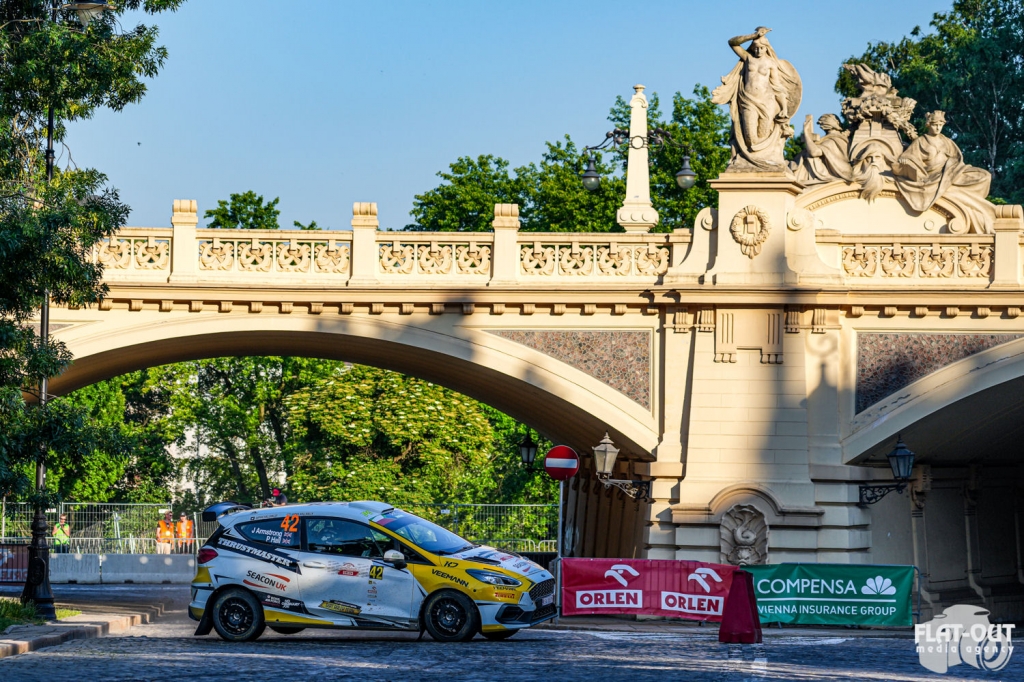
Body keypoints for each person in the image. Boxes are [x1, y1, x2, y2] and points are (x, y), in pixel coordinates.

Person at [712, 26, 802, 171]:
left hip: (767, 102)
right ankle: (750, 162)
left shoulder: (771, 63)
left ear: (767, 48)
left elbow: (777, 87)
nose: (758, 51)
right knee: (750, 139)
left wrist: (784, 108)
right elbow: (732, 43)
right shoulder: (748, 59)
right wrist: (753, 36)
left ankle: (765, 163)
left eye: (761, 48)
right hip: (748, 100)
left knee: (763, 135)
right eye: (756, 48)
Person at [891, 110, 994, 233]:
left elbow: (957, 159)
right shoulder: (921, 141)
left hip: (951, 172)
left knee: (984, 176)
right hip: (933, 176)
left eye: (940, 125)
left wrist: (952, 167)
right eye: (935, 124)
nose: (938, 128)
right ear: (928, 124)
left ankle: (970, 197)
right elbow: (908, 158)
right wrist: (905, 161)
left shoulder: (947, 141)